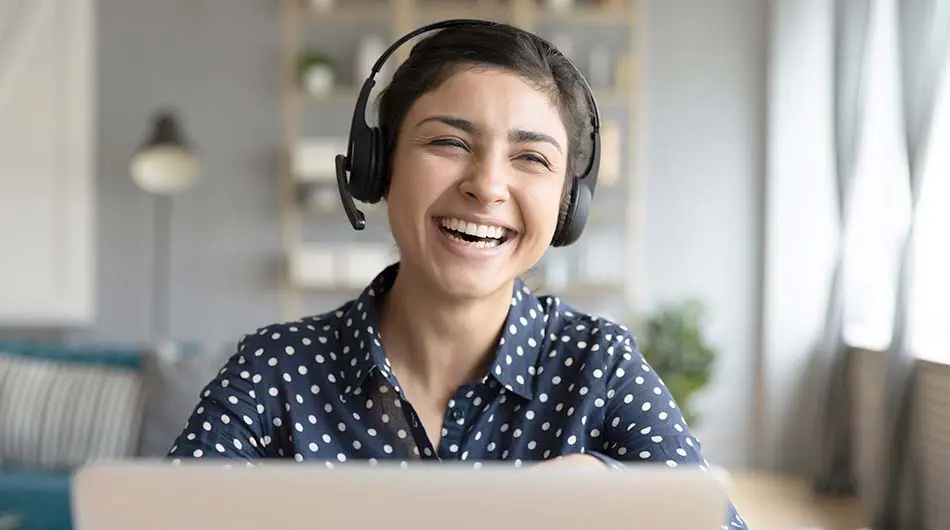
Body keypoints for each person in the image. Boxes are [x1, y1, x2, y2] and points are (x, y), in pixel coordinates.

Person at [167, 20, 748, 530]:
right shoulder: (277, 366)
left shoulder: (599, 365)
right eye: (448, 142)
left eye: (532, 158)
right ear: (378, 167)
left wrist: (617, 494)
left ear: (569, 204)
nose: (488, 185)